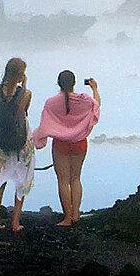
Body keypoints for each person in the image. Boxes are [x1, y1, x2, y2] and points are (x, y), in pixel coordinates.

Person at [31, 68, 101, 226]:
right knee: (76, 179)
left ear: (58, 84)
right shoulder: (85, 99)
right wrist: (94, 88)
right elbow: (96, 106)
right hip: (80, 143)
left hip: (61, 144)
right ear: (74, 83)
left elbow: (45, 124)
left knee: (63, 181)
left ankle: (67, 218)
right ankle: (76, 214)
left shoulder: (51, 102)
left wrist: (36, 138)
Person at [0, 57, 34, 232]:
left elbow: (0, 109)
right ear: (22, 74)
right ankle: (15, 223)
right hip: (21, 143)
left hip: (1, 143)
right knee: (22, 182)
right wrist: (25, 86)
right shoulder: (26, 94)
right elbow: (24, 111)